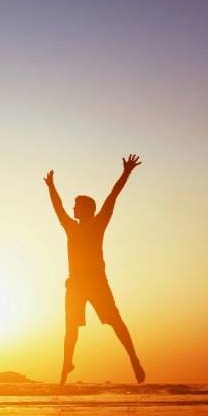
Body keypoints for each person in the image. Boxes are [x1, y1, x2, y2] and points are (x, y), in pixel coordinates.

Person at [44, 154, 145, 385]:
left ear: (88, 209)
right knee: (71, 328)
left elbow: (112, 197)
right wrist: (51, 186)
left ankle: (133, 359)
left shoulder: (98, 223)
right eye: (74, 206)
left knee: (115, 321)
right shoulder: (70, 227)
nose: (73, 209)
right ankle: (65, 367)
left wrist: (126, 173)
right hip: (76, 283)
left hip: (97, 281)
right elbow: (57, 207)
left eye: (77, 206)